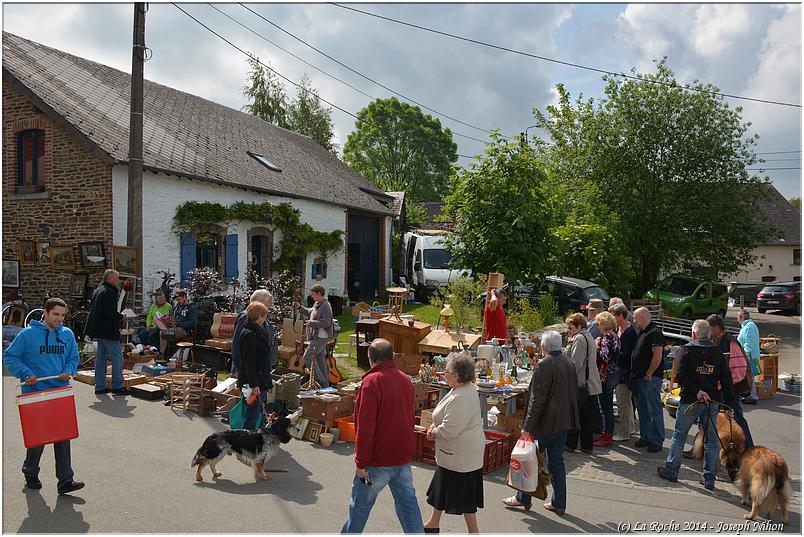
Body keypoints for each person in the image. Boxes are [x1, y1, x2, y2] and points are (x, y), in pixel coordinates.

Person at [3, 297, 85, 495]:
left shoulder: (67, 334)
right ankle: (30, 471)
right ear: (45, 313)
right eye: (56, 314)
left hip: (60, 391)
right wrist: (26, 373)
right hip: (35, 393)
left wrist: (68, 370)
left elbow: (73, 358)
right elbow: (10, 356)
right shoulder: (27, 334)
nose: (59, 319)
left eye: (63, 315)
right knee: (38, 437)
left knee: (63, 436)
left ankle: (65, 480)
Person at [342, 339, 424, 534]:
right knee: (408, 506)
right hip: (402, 458)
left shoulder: (371, 382)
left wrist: (361, 462)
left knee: (360, 507)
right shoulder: (405, 379)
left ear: (371, 359)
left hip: (377, 462)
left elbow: (365, 427)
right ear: (392, 356)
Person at [502, 331, 579, 514]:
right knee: (556, 462)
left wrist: (527, 427)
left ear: (544, 347)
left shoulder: (545, 364)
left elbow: (537, 400)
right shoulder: (568, 362)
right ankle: (559, 502)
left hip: (545, 423)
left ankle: (523, 498)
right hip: (562, 421)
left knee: (529, 461)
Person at [657, 320, 737, 491]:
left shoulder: (686, 350)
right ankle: (709, 479)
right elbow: (727, 381)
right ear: (708, 334)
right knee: (711, 441)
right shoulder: (718, 353)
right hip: (711, 401)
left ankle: (672, 471)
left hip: (690, 400)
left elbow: (681, 376)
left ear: (694, 334)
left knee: (679, 436)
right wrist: (730, 406)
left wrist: (697, 391)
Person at [424, 352, 486, 533]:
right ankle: (433, 522)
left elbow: (449, 430)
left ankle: (473, 532)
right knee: (442, 490)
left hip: (460, 455)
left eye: (447, 371)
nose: (444, 374)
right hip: (458, 453)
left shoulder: (461, 397)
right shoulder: (462, 389)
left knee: (465, 498)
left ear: (458, 375)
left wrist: (434, 432)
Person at [705, 314, 755, 448]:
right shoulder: (714, 341)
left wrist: (724, 385)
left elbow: (739, 370)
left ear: (717, 328)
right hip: (718, 388)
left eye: (709, 328)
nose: (708, 331)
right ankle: (701, 449)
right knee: (709, 418)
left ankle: (749, 449)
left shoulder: (730, 342)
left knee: (736, 419)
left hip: (730, 390)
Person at [86, 269, 129, 396]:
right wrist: (121, 317)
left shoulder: (99, 290)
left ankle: (99, 386)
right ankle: (118, 386)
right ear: (110, 279)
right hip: (107, 330)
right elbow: (109, 312)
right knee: (117, 358)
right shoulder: (108, 292)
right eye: (117, 278)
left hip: (99, 329)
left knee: (101, 358)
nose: (118, 281)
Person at [564, 313, 601, 453]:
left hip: (581, 383)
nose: (568, 330)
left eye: (571, 327)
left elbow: (575, 363)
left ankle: (571, 444)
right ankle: (586, 446)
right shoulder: (588, 336)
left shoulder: (579, 338)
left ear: (579, 326)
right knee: (586, 417)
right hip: (590, 382)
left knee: (576, 415)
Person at [630, 307, 666, 452]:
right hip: (639, 377)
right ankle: (645, 436)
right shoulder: (642, 331)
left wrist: (649, 373)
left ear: (643, 317)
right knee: (642, 409)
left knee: (654, 409)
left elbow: (657, 356)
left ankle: (657, 440)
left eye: (635, 317)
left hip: (650, 378)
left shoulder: (655, 333)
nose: (634, 320)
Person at [236, 302, 273, 430]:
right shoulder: (250, 334)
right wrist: (254, 384)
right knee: (253, 415)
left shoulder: (256, 332)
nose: (265, 320)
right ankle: (246, 443)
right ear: (260, 317)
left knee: (258, 413)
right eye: (265, 317)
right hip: (254, 380)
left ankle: (255, 441)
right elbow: (248, 362)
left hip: (259, 378)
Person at [294, 284, 334, 388]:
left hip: (321, 337)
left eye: (313, 294)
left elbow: (326, 322)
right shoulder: (318, 304)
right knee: (320, 358)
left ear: (319, 294)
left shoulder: (325, 305)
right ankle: (325, 384)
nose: (311, 296)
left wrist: (312, 323)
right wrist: (299, 308)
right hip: (319, 336)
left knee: (308, 356)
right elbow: (310, 312)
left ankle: (320, 381)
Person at [231, 290, 277, 377]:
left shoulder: (261, 315)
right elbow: (237, 343)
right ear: (259, 302)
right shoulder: (246, 316)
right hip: (248, 370)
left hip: (260, 368)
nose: (269, 306)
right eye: (268, 304)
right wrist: (238, 369)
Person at [610, 303, 637, 442]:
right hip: (620, 371)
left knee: (623, 403)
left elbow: (626, 354)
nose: (612, 318)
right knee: (626, 403)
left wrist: (611, 352)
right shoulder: (619, 329)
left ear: (621, 315)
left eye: (613, 315)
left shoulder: (630, 332)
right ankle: (630, 428)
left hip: (624, 373)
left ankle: (624, 433)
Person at [593, 311, 620, 448]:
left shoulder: (606, 337)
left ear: (604, 323)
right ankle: (607, 433)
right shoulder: (615, 336)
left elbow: (604, 357)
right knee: (608, 405)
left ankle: (607, 435)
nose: (597, 325)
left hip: (606, 375)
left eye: (599, 323)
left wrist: (596, 347)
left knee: (606, 406)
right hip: (614, 373)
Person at [158, 289, 197, 355]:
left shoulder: (191, 308)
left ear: (185, 297)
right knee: (158, 329)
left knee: (162, 333)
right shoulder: (177, 307)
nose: (178, 301)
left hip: (184, 330)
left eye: (180, 299)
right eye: (177, 300)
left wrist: (178, 324)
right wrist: (168, 318)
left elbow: (193, 322)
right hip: (174, 327)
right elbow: (173, 317)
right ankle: (162, 353)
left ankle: (162, 354)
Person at [737, 309, 761, 405]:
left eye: (738, 318)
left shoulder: (749, 327)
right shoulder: (748, 326)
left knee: (749, 376)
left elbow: (748, 344)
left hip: (750, 356)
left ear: (742, 317)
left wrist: (744, 355)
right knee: (749, 376)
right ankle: (750, 395)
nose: (737, 320)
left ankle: (753, 396)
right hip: (750, 355)